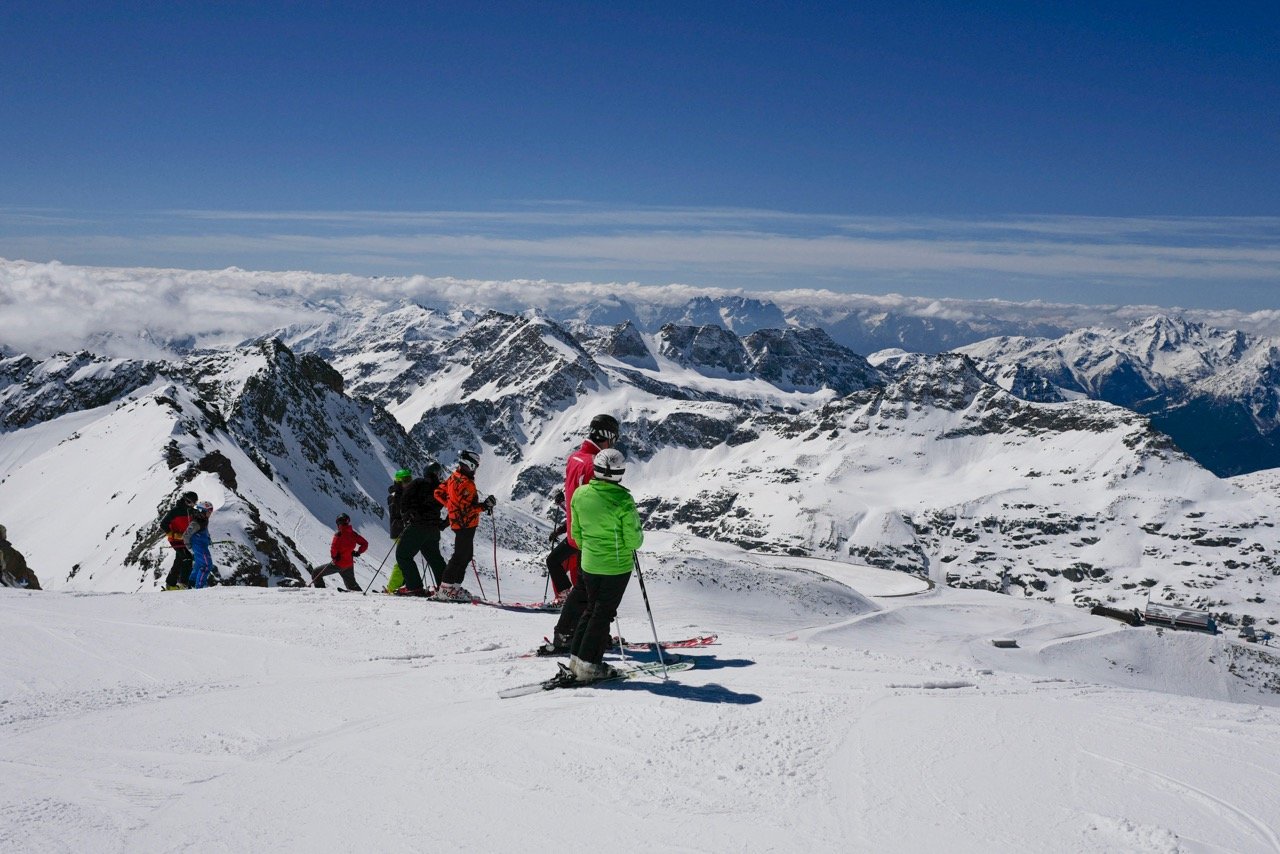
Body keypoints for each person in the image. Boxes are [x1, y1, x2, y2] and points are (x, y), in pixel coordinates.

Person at [542, 413, 620, 652]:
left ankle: (577, 634)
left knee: (586, 588)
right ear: (608, 436)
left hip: (576, 532)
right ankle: (581, 636)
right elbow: (594, 501)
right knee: (594, 590)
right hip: (589, 536)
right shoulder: (594, 463)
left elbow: (575, 497)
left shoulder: (575, 458)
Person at [565, 448, 642, 683]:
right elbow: (634, 540)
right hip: (615, 567)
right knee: (602, 614)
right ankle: (589, 666)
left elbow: (575, 534)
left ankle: (577, 661)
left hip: (588, 563)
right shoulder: (623, 500)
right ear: (620, 473)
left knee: (591, 610)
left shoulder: (580, 494)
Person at [432, 450, 495, 602]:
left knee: (465, 555)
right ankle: (446, 588)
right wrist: (484, 506)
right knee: (460, 555)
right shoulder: (466, 483)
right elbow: (466, 509)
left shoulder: (454, 477)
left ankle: (453, 588)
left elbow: (438, 492)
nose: (475, 469)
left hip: (459, 522)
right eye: (475, 466)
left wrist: (451, 506)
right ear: (470, 464)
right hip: (465, 524)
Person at [392, 464, 449, 596]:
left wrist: (407, 514)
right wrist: (443, 523)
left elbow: (405, 499)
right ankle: (445, 587)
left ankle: (414, 587)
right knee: (435, 558)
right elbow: (453, 507)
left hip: (417, 526)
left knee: (403, 555)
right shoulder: (442, 488)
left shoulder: (418, 482)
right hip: (434, 529)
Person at [310, 513, 368, 591]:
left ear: (338, 523)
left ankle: (321, 592)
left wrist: (334, 558)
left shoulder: (338, 535)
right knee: (352, 584)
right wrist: (358, 552)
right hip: (349, 564)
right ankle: (363, 597)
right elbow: (365, 543)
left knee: (316, 572)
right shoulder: (353, 534)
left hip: (339, 564)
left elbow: (333, 549)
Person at [383, 468, 413, 594]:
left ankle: (401, 583)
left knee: (405, 557)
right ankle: (392, 587)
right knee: (402, 559)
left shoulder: (403, 494)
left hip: (403, 529)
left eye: (410, 479)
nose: (409, 483)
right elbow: (397, 512)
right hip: (400, 530)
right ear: (399, 482)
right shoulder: (394, 497)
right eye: (406, 480)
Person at [161, 491, 199, 590]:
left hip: (185, 539)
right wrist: (173, 534)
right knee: (187, 558)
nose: (192, 505)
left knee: (179, 560)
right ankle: (183, 584)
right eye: (191, 503)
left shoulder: (192, 511)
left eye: (194, 503)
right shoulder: (175, 511)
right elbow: (163, 524)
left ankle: (170, 584)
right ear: (185, 500)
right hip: (175, 540)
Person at [544, 489, 574, 601]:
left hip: (576, 540)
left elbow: (574, 516)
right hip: (581, 541)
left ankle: (565, 597)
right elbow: (571, 520)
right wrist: (558, 531)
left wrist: (562, 503)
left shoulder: (572, 500)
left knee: (553, 562)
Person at [184, 501, 217, 589]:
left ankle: (191, 583)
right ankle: (199, 588)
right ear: (202, 511)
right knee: (207, 565)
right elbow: (186, 535)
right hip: (199, 547)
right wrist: (189, 547)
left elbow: (204, 530)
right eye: (209, 511)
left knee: (198, 565)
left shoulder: (204, 519)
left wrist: (208, 539)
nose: (210, 513)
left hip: (202, 545)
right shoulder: (196, 523)